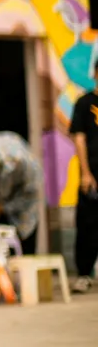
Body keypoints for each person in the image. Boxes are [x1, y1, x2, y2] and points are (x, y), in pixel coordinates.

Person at [69, 62, 98, 292]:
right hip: (92, 175)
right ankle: (83, 274)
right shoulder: (84, 103)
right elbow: (79, 138)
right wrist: (86, 173)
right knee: (88, 224)